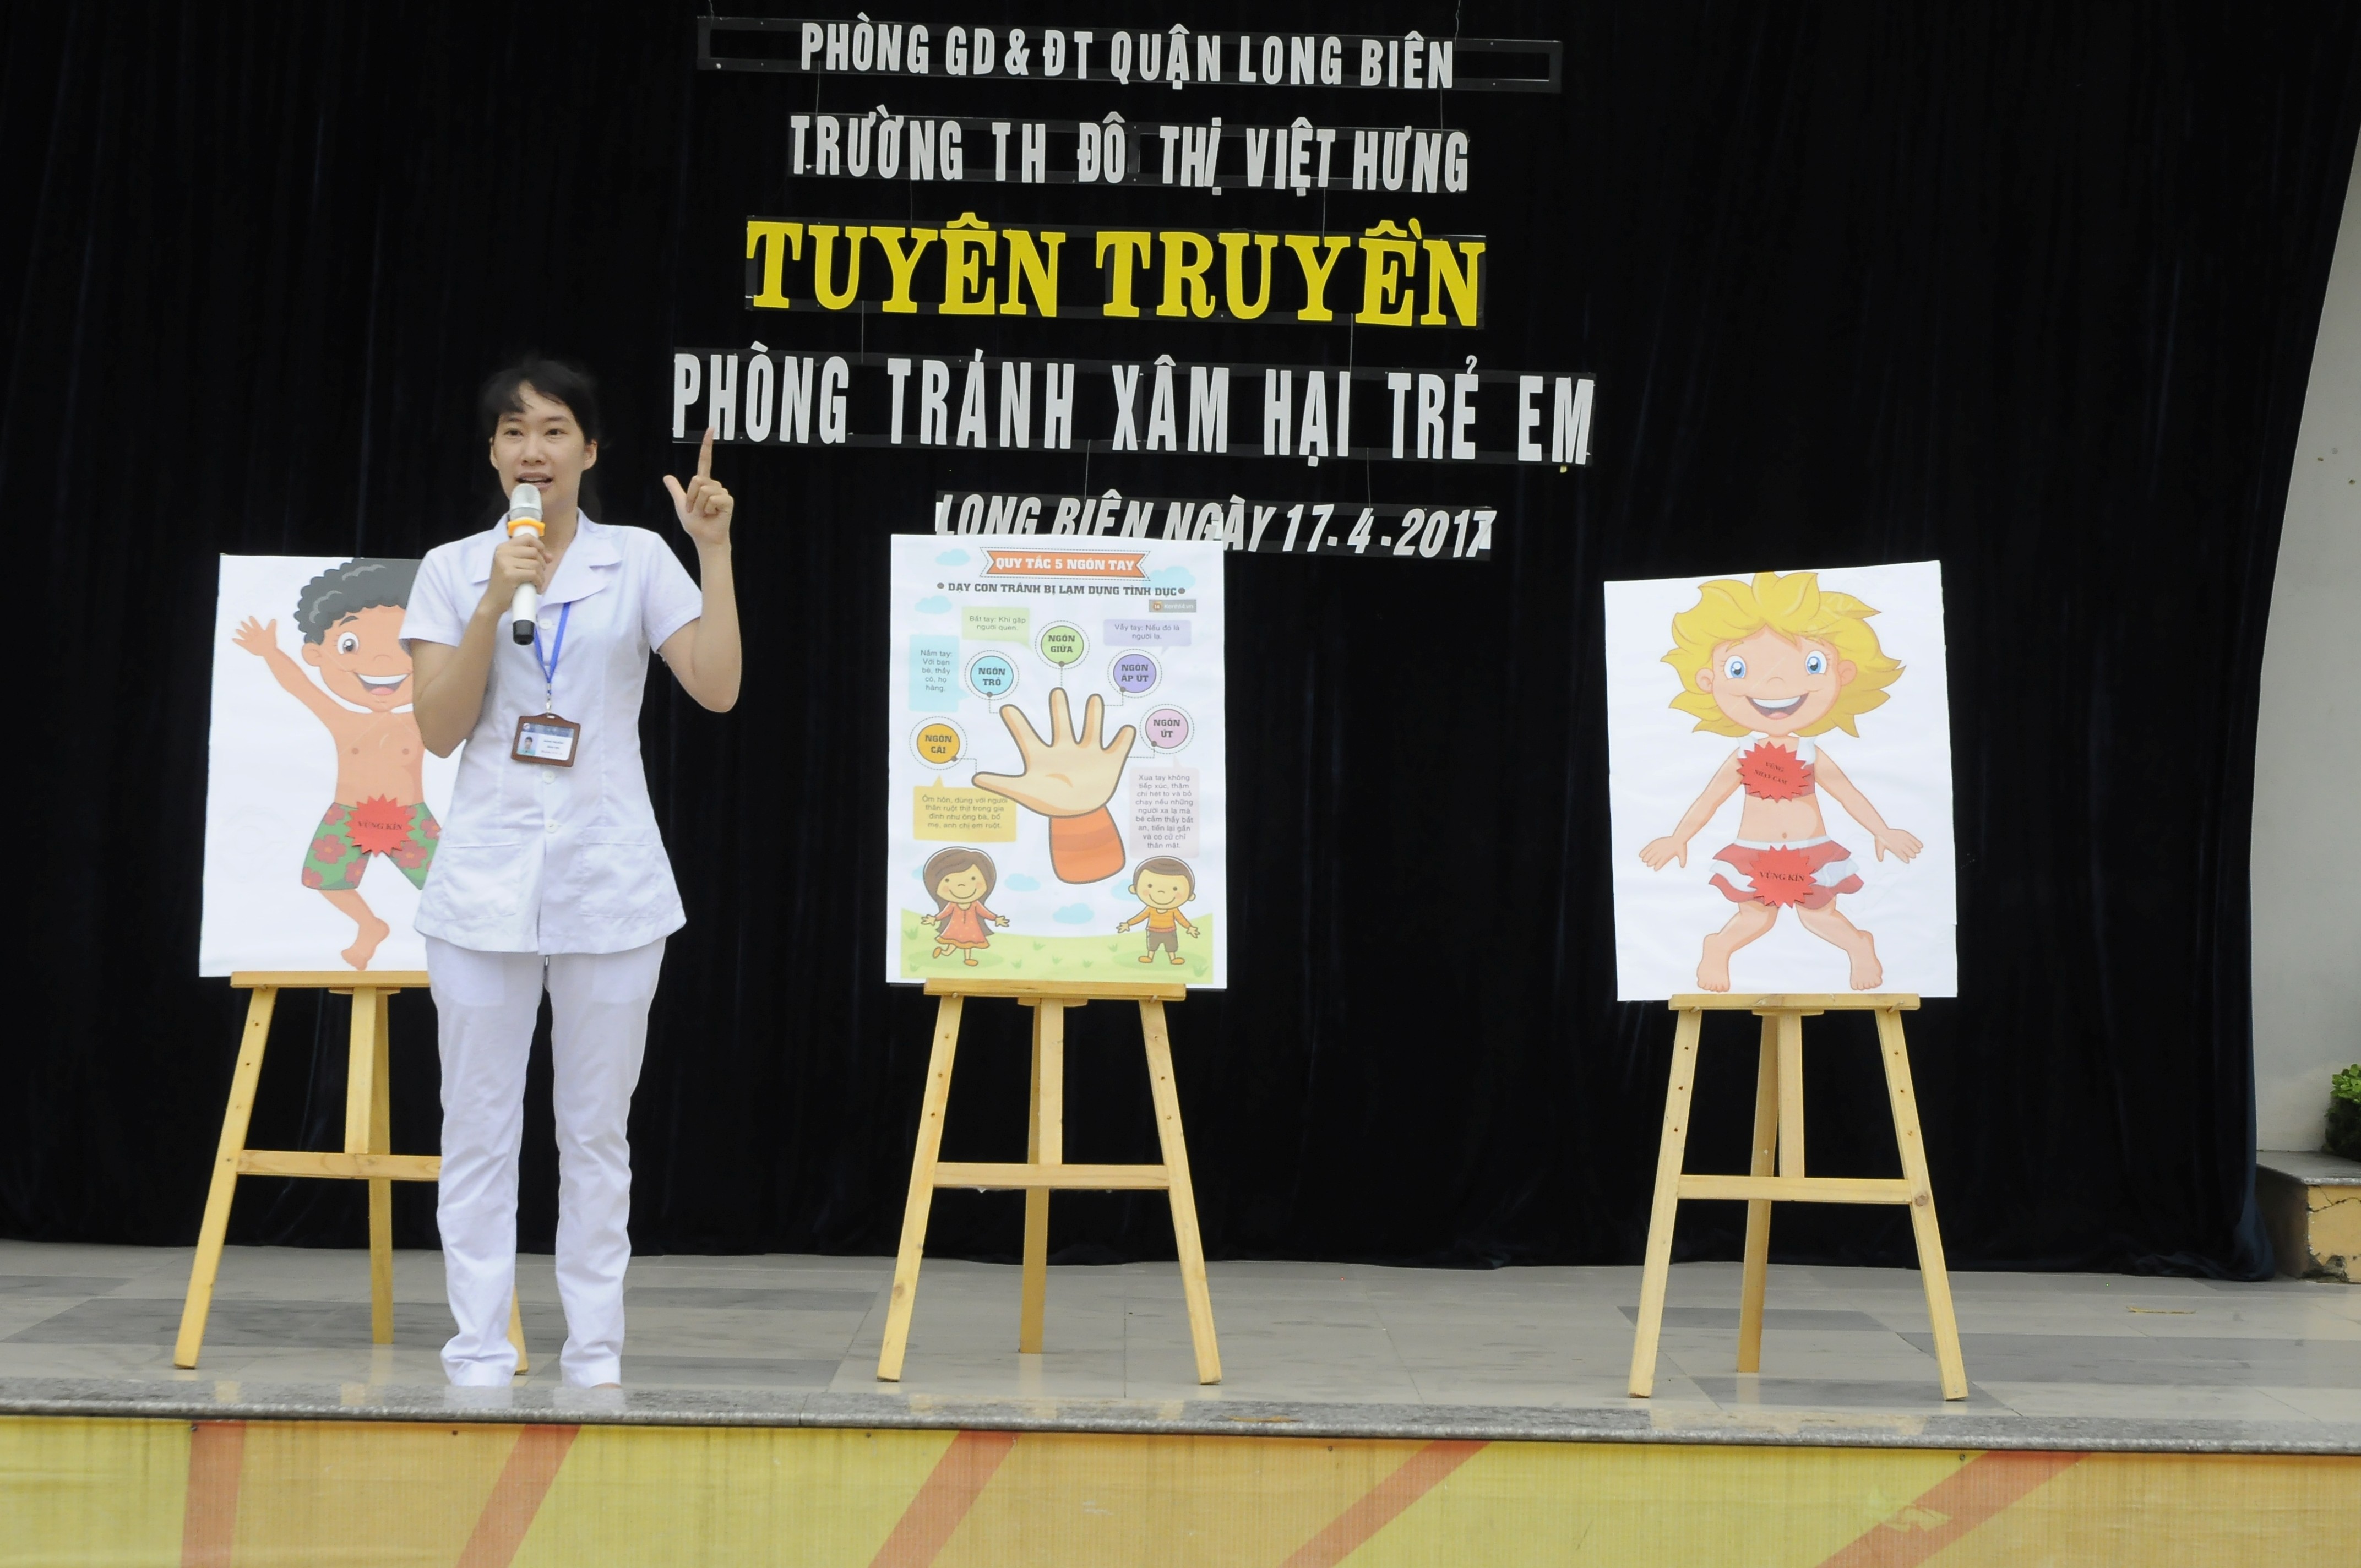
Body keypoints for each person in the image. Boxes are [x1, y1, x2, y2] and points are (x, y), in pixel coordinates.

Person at [403, 358, 740, 1387]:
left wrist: (714, 551)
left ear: (589, 450)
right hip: (483, 887)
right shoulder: (453, 567)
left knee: (595, 1132)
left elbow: (717, 687)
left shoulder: (636, 558)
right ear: (492, 453)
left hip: (610, 881)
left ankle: (595, 1354)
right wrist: (491, 602)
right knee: (478, 1130)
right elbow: (438, 727)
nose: (533, 452)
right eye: (514, 433)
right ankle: (477, 1350)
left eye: (554, 432)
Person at [1637, 570, 1919, 992]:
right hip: (1755, 853)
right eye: (1739, 668)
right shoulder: (1742, 754)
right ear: (1708, 681)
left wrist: (1883, 830)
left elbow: (1848, 794)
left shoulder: (1810, 751)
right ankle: (1718, 947)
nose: (1775, 683)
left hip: (1811, 850)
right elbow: (1709, 799)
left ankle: (1860, 946)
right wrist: (1678, 838)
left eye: (1812, 664)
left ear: (1843, 674)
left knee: (1819, 916)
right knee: (1756, 917)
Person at [231, 558, 435, 969]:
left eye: (404, 645)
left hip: (409, 817)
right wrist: (270, 653)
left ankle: (445, 945)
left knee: (444, 884)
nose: (383, 664)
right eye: (351, 645)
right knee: (325, 879)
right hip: (348, 816)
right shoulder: (344, 721)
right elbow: (301, 687)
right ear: (316, 653)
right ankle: (370, 925)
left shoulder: (425, 717)